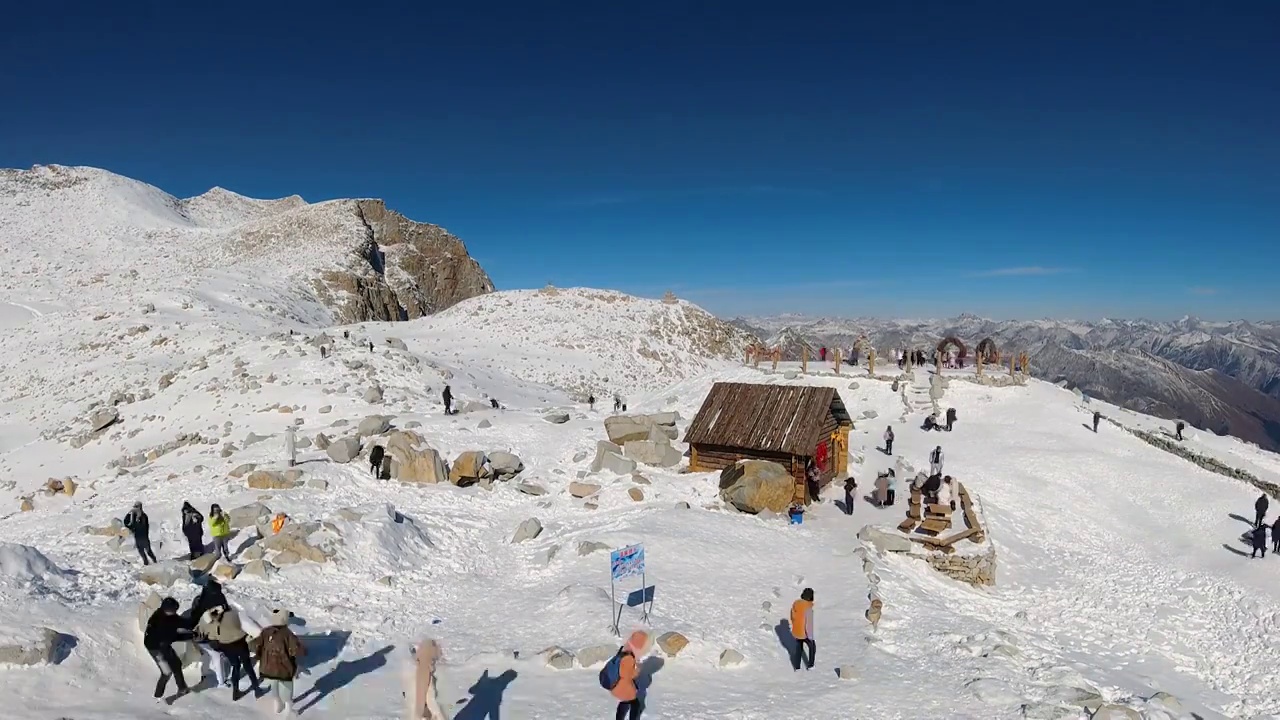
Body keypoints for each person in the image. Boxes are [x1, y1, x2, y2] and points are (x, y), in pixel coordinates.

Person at [197, 605, 261, 701]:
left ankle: (236, 692)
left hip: (225, 645)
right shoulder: (232, 614)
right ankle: (256, 689)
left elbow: (208, 635)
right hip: (239, 642)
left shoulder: (207, 620)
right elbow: (240, 626)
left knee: (236, 665)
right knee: (247, 665)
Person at [252, 609, 306, 716]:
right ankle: (289, 709)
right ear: (285, 619)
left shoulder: (265, 631)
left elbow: (254, 645)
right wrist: (303, 650)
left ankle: (278, 704)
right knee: (287, 688)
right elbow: (296, 650)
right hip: (284, 668)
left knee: (273, 685)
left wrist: (260, 655)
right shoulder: (288, 634)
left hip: (267, 667)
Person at [145, 597, 194, 701]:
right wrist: (191, 636)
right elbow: (174, 637)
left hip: (164, 644)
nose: (175, 612)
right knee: (166, 672)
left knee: (176, 664)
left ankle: (182, 688)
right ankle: (157, 697)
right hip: (155, 648)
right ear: (167, 610)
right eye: (174, 611)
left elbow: (182, 623)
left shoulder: (165, 614)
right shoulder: (162, 622)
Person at [610, 631, 648, 720]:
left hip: (618, 682)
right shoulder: (629, 655)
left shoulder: (624, 649)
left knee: (626, 702)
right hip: (624, 683)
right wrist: (637, 670)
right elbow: (628, 673)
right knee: (635, 703)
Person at [410, 638, 450, 720]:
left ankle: (425, 715)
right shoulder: (431, 654)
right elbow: (438, 658)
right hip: (428, 679)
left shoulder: (420, 658)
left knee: (423, 701)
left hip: (422, 679)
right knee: (431, 701)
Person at [789, 588, 816, 671]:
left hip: (796, 631)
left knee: (799, 648)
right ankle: (811, 665)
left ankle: (797, 667)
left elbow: (792, 616)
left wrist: (795, 625)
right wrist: (810, 636)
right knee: (812, 647)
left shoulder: (796, 604)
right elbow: (809, 624)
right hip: (804, 633)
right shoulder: (808, 608)